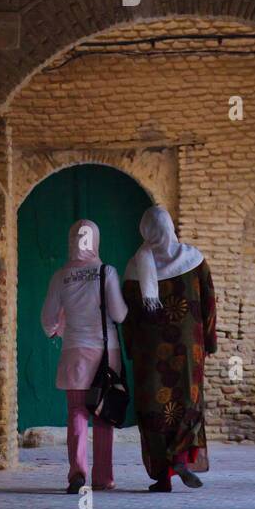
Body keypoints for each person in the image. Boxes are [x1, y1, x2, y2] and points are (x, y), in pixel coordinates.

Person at [122, 205, 217, 492]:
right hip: (189, 350)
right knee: (186, 404)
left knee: (154, 409)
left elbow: (129, 316)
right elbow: (209, 302)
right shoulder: (194, 259)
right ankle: (180, 457)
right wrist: (209, 342)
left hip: (150, 355)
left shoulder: (135, 266)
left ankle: (163, 477)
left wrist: (130, 350)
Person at [41, 218, 128, 494]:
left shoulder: (60, 276)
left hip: (74, 352)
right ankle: (103, 478)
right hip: (106, 353)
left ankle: (77, 475)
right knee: (103, 414)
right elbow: (119, 314)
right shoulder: (107, 272)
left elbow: (48, 320)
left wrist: (57, 329)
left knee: (77, 412)